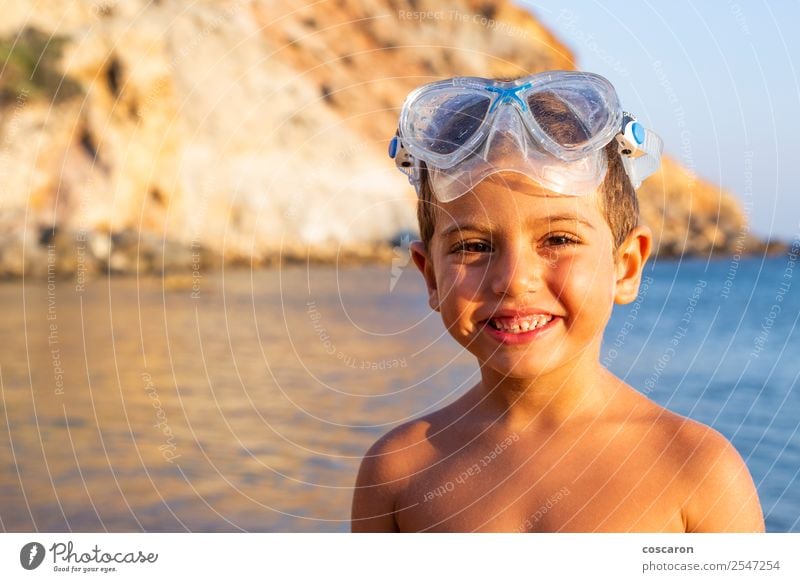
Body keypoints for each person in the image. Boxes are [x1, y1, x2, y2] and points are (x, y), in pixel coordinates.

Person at [351, 71, 764, 532]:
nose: (514, 280)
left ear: (625, 267)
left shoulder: (695, 472)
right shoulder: (398, 474)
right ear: (430, 276)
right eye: (473, 246)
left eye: (558, 239)